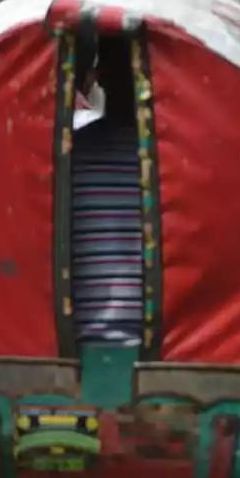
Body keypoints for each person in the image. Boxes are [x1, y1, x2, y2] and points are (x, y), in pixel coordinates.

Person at [70, 36, 143, 346]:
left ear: (98, 77)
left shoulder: (67, 154)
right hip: (167, 348)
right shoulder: (179, 161)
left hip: (79, 342)